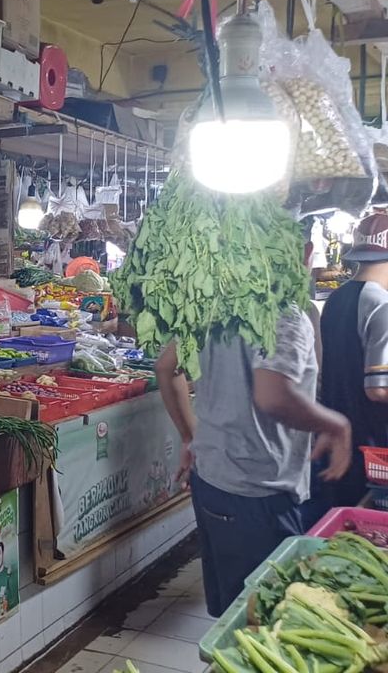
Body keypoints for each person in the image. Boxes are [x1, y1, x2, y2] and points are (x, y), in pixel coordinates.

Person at [155, 306, 351, 617]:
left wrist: (190, 436)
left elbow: (166, 367)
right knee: (260, 618)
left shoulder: (215, 307)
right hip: (258, 489)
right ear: (305, 254)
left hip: (212, 482)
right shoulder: (286, 313)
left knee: (233, 615)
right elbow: (273, 396)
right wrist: (334, 424)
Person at [313, 213, 388, 512]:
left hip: (338, 433)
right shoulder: (381, 305)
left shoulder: (337, 297)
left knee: (342, 517)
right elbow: (378, 390)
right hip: (370, 442)